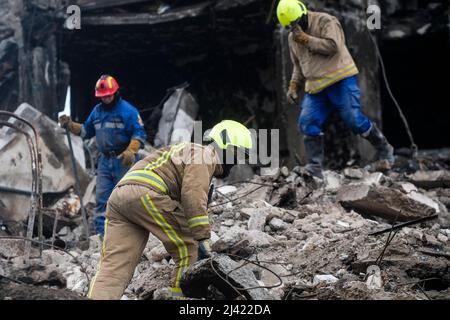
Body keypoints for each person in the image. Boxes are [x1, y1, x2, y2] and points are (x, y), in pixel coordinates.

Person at [87, 120, 253, 299]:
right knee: (189, 247)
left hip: (120, 197)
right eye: (238, 156)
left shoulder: (189, 150)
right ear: (227, 148)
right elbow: (193, 195)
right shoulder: (205, 154)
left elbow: (181, 191)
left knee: (114, 267)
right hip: (146, 194)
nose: (237, 163)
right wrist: (202, 237)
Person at [277, 0, 395, 178]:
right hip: (316, 87)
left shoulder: (326, 21)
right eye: (290, 26)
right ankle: (315, 167)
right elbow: (298, 64)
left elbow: (333, 46)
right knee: (307, 122)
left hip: (340, 79)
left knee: (353, 120)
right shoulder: (293, 37)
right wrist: (293, 85)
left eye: (296, 23)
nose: (295, 28)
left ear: (303, 14)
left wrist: (307, 39)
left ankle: (383, 147)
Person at [59, 75, 147, 237]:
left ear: (115, 93)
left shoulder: (127, 111)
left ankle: (128, 234)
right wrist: (70, 125)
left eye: (108, 95)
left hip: (123, 160)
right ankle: (102, 237)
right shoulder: (97, 112)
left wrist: (130, 151)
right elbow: (86, 131)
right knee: (102, 199)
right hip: (105, 161)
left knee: (124, 199)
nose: (106, 99)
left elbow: (139, 134)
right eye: (103, 97)